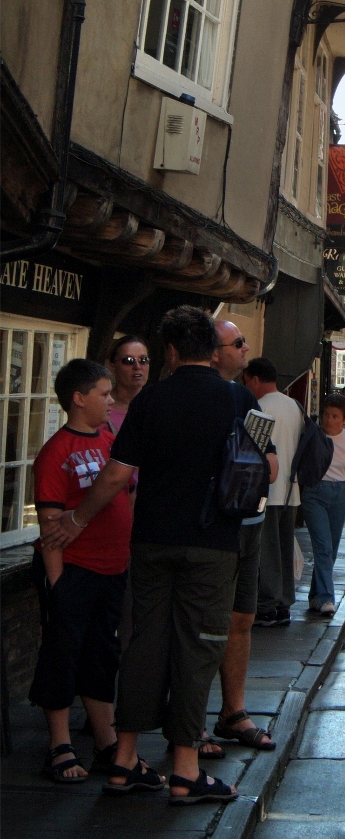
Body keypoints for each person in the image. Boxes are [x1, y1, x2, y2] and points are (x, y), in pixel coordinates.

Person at [41, 304, 250, 803]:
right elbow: (265, 463)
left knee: (143, 644)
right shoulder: (238, 400)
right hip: (213, 542)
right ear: (211, 351)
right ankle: (185, 768)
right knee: (198, 647)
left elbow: (115, 474)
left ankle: (125, 758)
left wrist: (75, 519)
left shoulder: (150, 401)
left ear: (172, 351)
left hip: (152, 540)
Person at [30, 360, 130, 781]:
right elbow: (51, 526)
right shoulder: (57, 452)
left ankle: (106, 742)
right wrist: (57, 583)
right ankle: (59, 745)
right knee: (61, 655)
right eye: (104, 394)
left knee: (100, 656)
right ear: (79, 398)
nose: (110, 400)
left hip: (111, 568)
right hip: (74, 569)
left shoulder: (109, 439)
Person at [207, 318, 276, 753]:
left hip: (248, 521)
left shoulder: (247, 401)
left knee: (241, 619)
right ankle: (189, 721)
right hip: (211, 529)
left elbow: (268, 464)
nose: (247, 349)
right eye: (239, 343)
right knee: (202, 625)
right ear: (214, 352)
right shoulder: (179, 398)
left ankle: (233, 711)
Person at [244, 358, 302, 629]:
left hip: (267, 489)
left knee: (267, 551)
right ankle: (284, 603)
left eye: (247, 382)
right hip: (292, 490)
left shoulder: (260, 407)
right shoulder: (294, 406)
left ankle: (267, 604)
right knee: (284, 549)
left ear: (255, 379)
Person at [302, 394, 345, 616]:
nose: (329, 419)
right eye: (326, 414)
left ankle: (315, 595)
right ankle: (327, 598)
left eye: (335, 416)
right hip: (315, 492)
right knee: (323, 547)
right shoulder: (313, 436)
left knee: (331, 550)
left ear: (344, 419)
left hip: (339, 494)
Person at [105, 334, 150, 434]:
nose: (137, 366)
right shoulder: (100, 409)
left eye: (143, 360)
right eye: (128, 360)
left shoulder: (158, 406)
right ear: (112, 367)